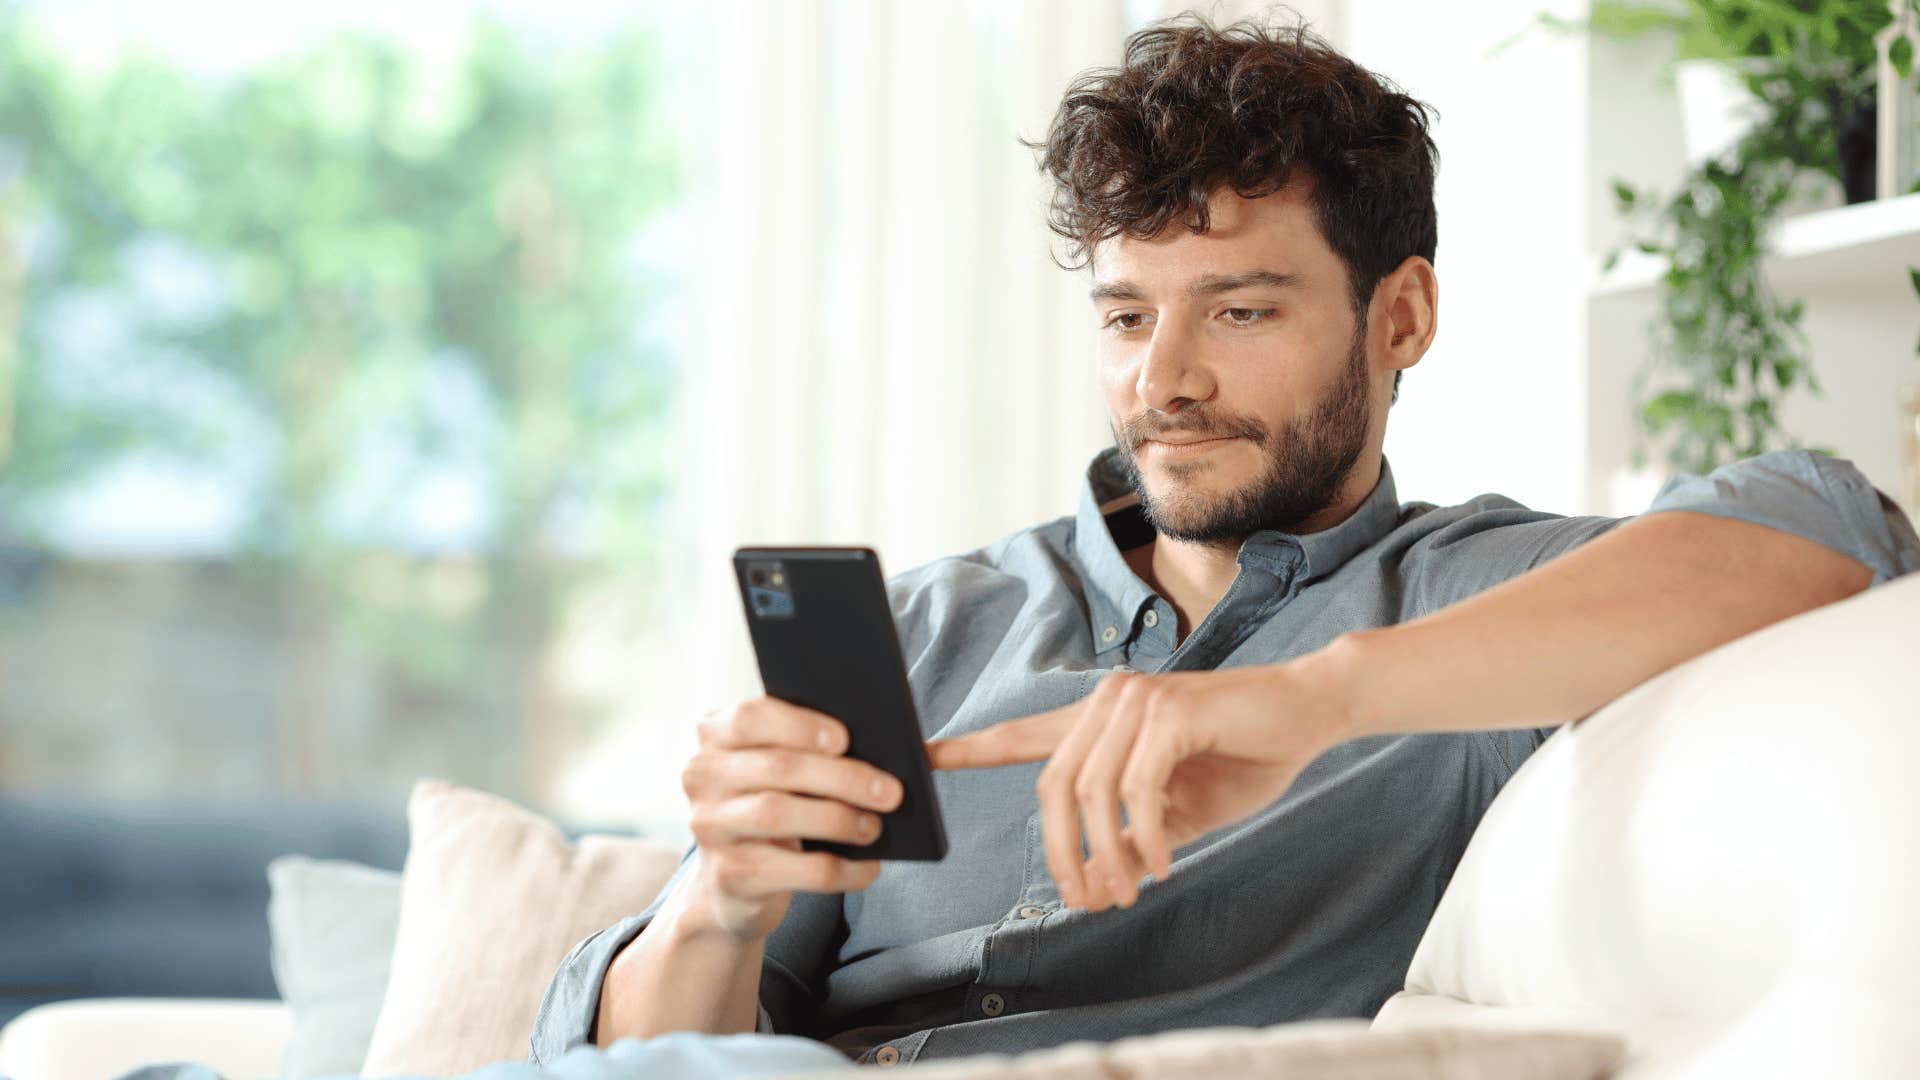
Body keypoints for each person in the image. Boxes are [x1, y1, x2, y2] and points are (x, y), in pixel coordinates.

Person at [527, 10, 1920, 1074]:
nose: (1163, 381)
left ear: (1402, 318)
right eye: (1129, 316)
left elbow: (1826, 524)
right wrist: (716, 905)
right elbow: (667, 1047)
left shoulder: (1463, 612)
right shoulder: (929, 625)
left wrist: (1309, 697)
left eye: (1240, 311)